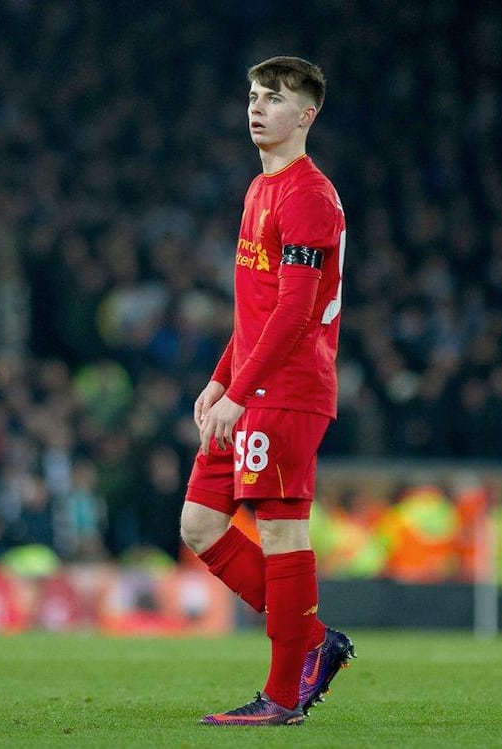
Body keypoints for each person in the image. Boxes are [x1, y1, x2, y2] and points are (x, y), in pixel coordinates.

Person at [179, 55, 355, 727]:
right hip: (252, 386)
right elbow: (257, 311)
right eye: (254, 95)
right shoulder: (261, 189)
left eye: (275, 99)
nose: (258, 107)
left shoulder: (309, 195)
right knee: (200, 523)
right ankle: (310, 640)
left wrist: (240, 390)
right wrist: (221, 377)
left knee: (282, 528)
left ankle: (282, 695)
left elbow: (296, 313)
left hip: (288, 388)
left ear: (306, 115)